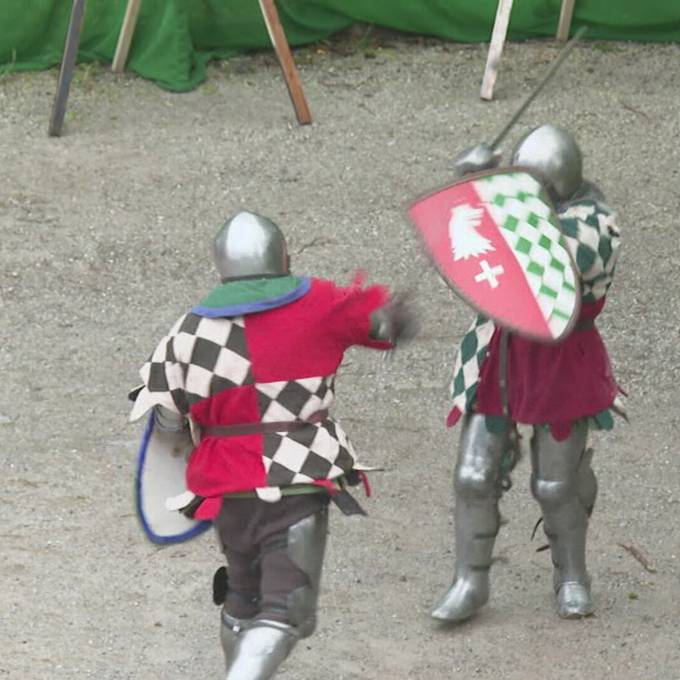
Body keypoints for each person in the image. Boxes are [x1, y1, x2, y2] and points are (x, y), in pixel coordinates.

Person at [129, 210, 416, 679]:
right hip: (293, 483)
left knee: (243, 600)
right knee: (286, 612)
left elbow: (164, 415)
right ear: (284, 256)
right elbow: (381, 327)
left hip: (226, 492)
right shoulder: (321, 302)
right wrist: (396, 315)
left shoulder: (189, 329)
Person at [431, 124, 623, 623]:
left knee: (554, 485)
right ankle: (469, 581)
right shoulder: (513, 210)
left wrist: (486, 188)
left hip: (562, 358)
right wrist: (474, 193)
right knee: (473, 476)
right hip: (499, 352)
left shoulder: (594, 225)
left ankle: (572, 575)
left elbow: (547, 265)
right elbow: (468, 260)